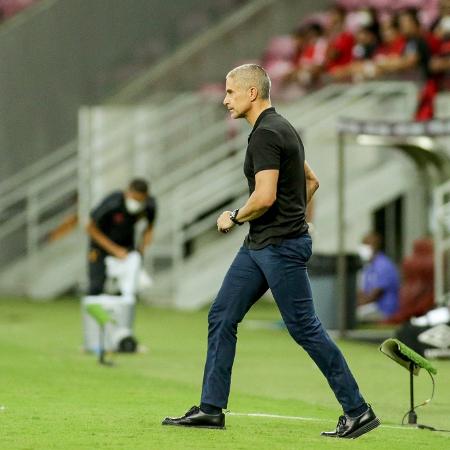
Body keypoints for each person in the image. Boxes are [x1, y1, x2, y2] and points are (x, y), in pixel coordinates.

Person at [162, 64, 380, 439]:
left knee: (305, 329)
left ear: (251, 93)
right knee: (222, 315)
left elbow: (263, 197)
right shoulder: (282, 127)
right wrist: (289, 214)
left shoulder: (265, 135)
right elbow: (311, 181)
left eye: (230, 92)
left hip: (279, 248)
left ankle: (358, 411)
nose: (224, 99)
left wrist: (234, 215)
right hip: (262, 245)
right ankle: (211, 409)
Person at [85, 178, 156, 296]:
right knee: (96, 287)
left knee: (128, 290)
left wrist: (140, 252)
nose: (136, 203)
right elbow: (90, 228)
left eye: (140, 200)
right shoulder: (113, 202)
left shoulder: (149, 205)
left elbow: (149, 229)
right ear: (127, 192)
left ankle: (122, 311)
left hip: (125, 246)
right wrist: (115, 250)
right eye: (134, 199)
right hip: (100, 246)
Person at [357, 232, 400, 322]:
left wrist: (357, 305)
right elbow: (362, 292)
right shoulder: (369, 267)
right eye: (363, 244)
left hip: (384, 311)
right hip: (370, 308)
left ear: (375, 246)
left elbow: (375, 295)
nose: (363, 248)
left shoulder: (383, 265)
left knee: (352, 315)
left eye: (367, 244)